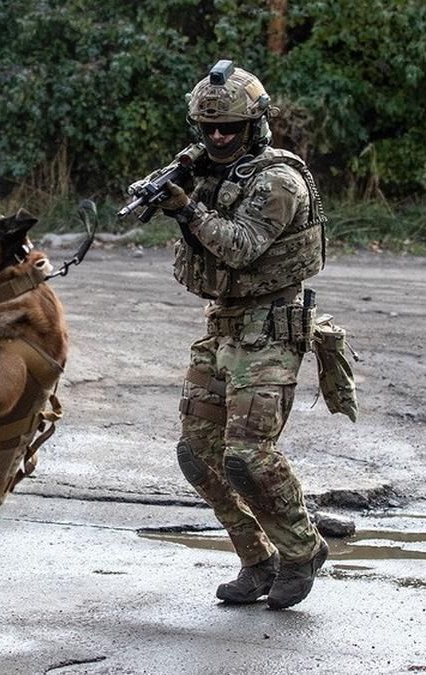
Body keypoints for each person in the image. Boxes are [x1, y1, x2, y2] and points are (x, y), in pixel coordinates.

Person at [155, 60, 330, 609]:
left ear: (255, 125)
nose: (218, 137)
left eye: (229, 128)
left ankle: (302, 549)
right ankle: (257, 559)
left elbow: (241, 246)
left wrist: (187, 210)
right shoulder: (207, 169)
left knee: (247, 457)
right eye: (208, 129)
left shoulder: (279, 180)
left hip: (273, 327)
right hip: (224, 324)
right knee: (197, 453)